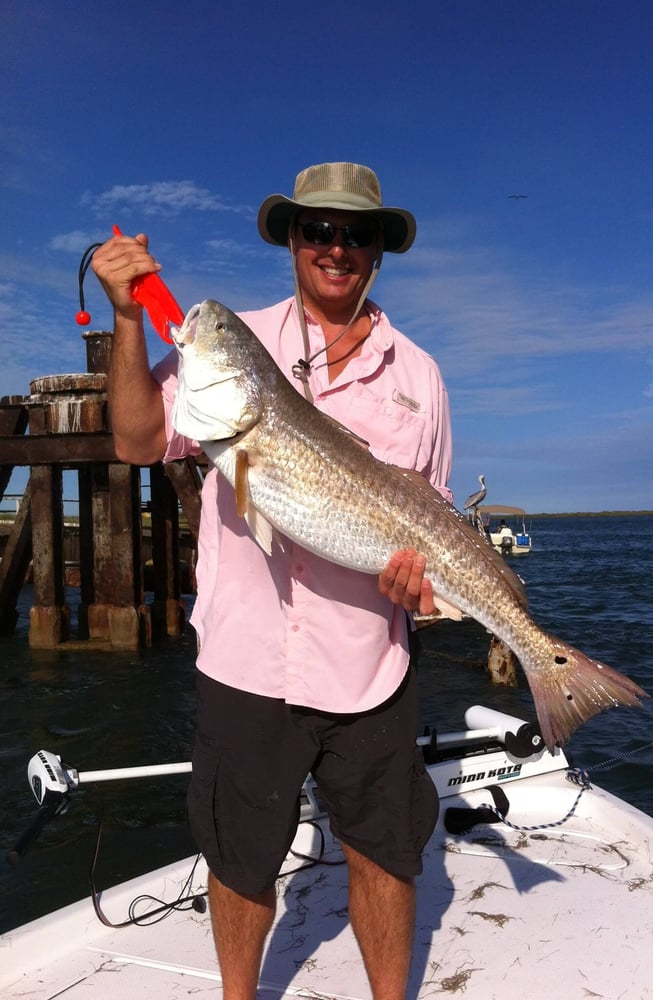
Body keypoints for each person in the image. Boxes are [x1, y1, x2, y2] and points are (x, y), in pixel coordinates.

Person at [92, 161, 453, 1000]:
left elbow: (429, 514)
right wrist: (125, 318)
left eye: (355, 233)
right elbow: (141, 442)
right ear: (292, 240)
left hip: (368, 664)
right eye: (317, 229)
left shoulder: (420, 377)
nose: (335, 246)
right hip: (246, 663)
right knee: (241, 853)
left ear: (378, 250)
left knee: (385, 851)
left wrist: (421, 589)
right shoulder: (233, 347)